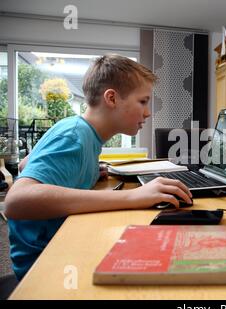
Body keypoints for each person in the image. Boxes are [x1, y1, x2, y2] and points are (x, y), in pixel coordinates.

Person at [5, 54, 193, 280]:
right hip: (44, 264)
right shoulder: (75, 135)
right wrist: (133, 197)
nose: (148, 112)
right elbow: (15, 202)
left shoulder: (82, 132)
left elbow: (28, 164)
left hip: (59, 244)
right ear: (112, 98)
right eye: (143, 101)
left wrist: (88, 171)